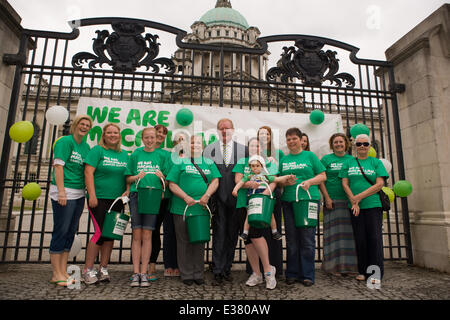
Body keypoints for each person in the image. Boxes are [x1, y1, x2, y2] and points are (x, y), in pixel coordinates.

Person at [166, 135, 221, 285]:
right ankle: (186, 274)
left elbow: (215, 181)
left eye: (198, 143)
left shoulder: (209, 162)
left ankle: (198, 273)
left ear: (202, 146)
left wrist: (207, 195)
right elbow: (171, 184)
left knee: (199, 240)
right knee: (183, 241)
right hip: (181, 207)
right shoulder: (180, 162)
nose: (195, 145)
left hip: (201, 207)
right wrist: (185, 197)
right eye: (192, 142)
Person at [278, 127, 326, 286]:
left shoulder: (310, 156)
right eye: (289, 139)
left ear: (301, 140)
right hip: (289, 201)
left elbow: (322, 176)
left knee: (307, 238)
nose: (291, 141)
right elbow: (278, 179)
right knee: (291, 239)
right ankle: (291, 273)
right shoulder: (284, 159)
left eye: (294, 138)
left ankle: (307, 275)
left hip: (308, 200)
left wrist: (310, 182)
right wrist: (285, 180)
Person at [82, 123, 129, 284]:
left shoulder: (124, 154)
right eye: (109, 132)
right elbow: (88, 172)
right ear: (104, 135)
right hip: (99, 198)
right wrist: (92, 194)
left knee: (110, 235)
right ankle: (87, 270)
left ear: (119, 135)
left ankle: (103, 268)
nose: (112, 135)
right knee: (99, 233)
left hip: (116, 200)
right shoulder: (97, 150)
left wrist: (127, 190)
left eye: (115, 132)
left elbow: (127, 175)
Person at [203, 118, 248, 285]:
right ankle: (217, 270)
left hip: (237, 199)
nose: (224, 131)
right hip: (217, 200)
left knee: (232, 236)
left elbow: (251, 170)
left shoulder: (244, 150)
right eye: (221, 128)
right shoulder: (208, 150)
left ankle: (227, 268)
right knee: (219, 236)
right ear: (217, 130)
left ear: (233, 130)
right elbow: (206, 175)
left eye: (227, 128)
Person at [49, 115, 92, 287]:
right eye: (82, 124)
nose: (84, 127)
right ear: (75, 125)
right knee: (61, 230)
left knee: (70, 232)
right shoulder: (64, 142)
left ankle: (63, 269)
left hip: (79, 193)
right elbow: (58, 166)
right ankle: (55, 273)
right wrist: (61, 192)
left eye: (87, 125)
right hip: (64, 192)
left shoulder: (86, 146)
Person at [340, 134, 388, 284]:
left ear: (369, 146)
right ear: (355, 145)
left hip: (373, 206)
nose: (362, 146)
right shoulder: (349, 162)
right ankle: (362, 270)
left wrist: (358, 197)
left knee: (374, 239)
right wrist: (353, 200)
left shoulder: (375, 162)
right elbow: (344, 183)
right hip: (355, 207)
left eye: (365, 144)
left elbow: (379, 184)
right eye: (359, 144)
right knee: (360, 239)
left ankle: (375, 273)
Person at [125, 127, 167, 287]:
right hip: (137, 195)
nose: (150, 140)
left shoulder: (162, 155)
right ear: (142, 139)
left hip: (153, 196)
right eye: (147, 138)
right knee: (137, 234)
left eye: (152, 137)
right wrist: (136, 177)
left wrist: (162, 177)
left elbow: (168, 179)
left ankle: (144, 272)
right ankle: (135, 272)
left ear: (157, 138)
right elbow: (128, 178)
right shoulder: (136, 154)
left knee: (148, 234)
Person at [319, 133, 358, 276]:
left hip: (349, 202)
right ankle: (333, 267)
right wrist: (327, 198)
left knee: (350, 235)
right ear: (332, 144)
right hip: (332, 201)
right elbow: (321, 180)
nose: (338, 144)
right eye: (335, 142)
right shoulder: (326, 159)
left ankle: (349, 267)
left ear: (346, 143)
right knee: (333, 235)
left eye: (341, 142)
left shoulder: (352, 160)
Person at [149, 124, 179, 278]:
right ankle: (150, 265)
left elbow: (169, 176)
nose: (160, 135)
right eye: (157, 132)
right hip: (147, 197)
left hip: (164, 198)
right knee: (150, 231)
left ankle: (170, 265)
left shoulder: (167, 155)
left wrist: (162, 186)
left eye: (162, 133)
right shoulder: (142, 152)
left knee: (168, 232)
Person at [232, 151, 282, 241]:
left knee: (271, 214)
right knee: (249, 214)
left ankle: (275, 231)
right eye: (253, 166)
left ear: (262, 166)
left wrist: (286, 177)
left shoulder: (266, 176)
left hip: (264, 196)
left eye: (257, 166)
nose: (255, 168)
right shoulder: (249, 176)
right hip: (253, 196)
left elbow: (276, 179)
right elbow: (240, 182)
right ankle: (245, 233)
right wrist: (235, 190)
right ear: (250, 167)